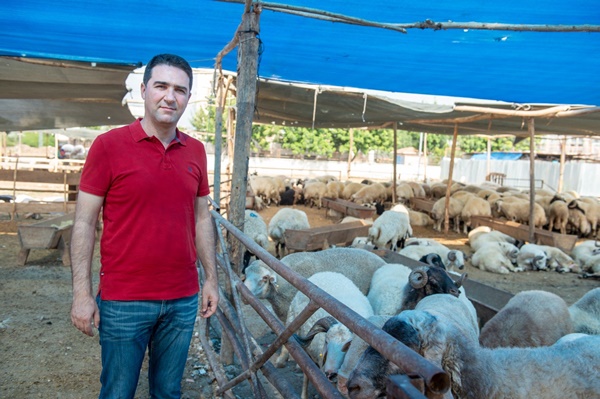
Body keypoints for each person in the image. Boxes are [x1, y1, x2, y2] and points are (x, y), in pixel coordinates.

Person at [70, 53, 219, 399]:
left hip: (182, 299)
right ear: (144, 90)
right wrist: (81, 293)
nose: (170, 97)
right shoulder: (108, 146)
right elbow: (84, 221)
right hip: (124, 299)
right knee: (118, 392)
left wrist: (210, 279)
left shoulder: (195, 150)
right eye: (161, 86)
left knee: (168, 391)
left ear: (188, 97)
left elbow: (201, 217)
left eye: (180, 90)